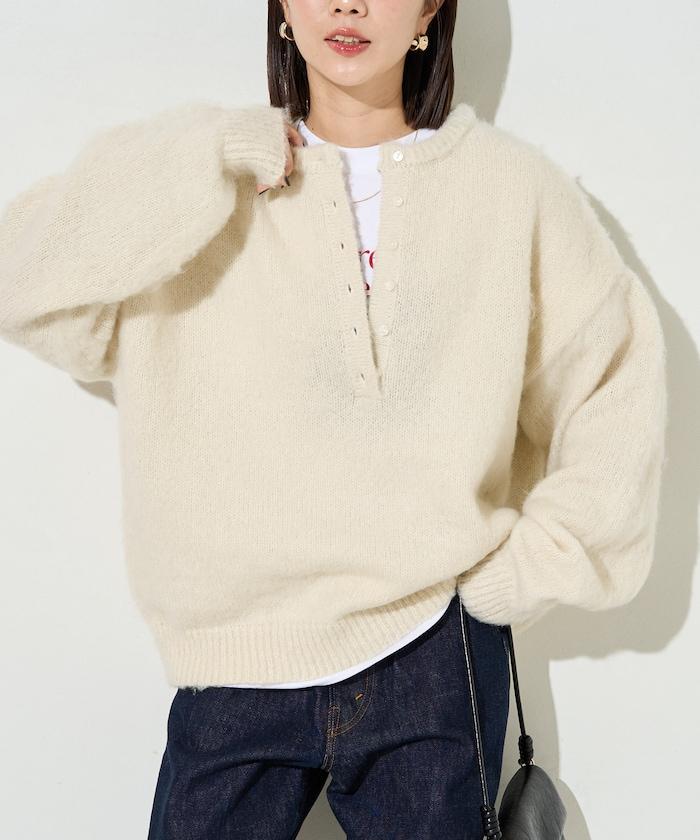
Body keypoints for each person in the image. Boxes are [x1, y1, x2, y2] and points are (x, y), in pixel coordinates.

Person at [0, 1, 667, 837]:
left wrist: (539, 563)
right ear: (282, 8)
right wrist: (203, 156)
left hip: (432, 649)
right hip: (234, 655)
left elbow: (613, 375)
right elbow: (25, 281)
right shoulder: (211, 183)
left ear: (429, 9)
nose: (347, 5)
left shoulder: (511, 190)